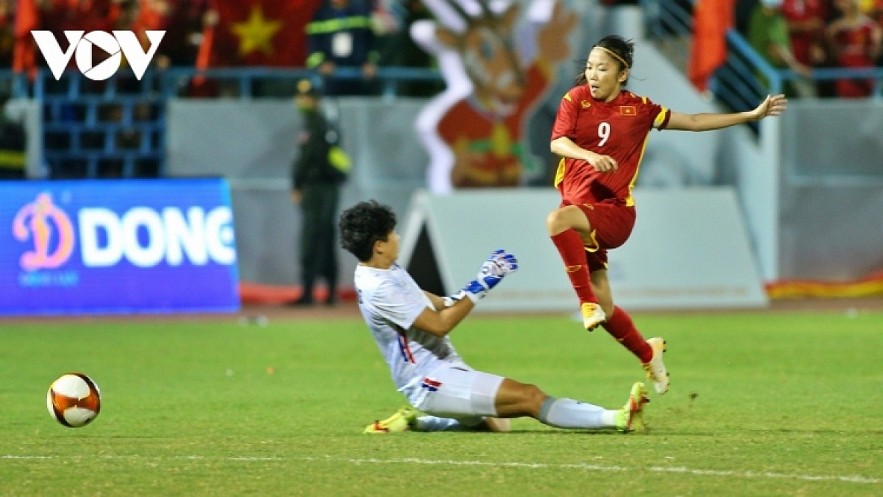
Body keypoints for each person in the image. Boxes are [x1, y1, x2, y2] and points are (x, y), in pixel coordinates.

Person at [546, 35, 789, 396]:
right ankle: (649, 354)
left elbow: (692, 120)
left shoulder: (640, 110)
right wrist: (587, 156)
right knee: (608, 308)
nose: (593, 74)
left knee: (557, 221)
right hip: (584, 213)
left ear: (622, 73)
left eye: (602, 68)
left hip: (613, 214)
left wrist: (750, 115)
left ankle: (584, 304)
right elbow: (557, 142)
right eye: (589, 66)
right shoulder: (575, 99)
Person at [338, 199, 650, 434]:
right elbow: (439, 324)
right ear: (379, 246)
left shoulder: (384, 269)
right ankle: (617, 418)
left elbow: (442, 304)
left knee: (498, 425)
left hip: (444, 368)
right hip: (429, 381)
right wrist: (484, 284)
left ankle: (417, 422)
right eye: (392, 234)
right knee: (530, 397)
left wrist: (478, 281)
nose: (398, 237)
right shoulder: (379, 286)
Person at [288, 79, 349, 307]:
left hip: (317, 188)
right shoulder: (325, 123)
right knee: (325, 238)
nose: (300, 101)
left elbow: (307, 158)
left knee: (312, 239)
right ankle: (330, 291)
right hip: (328, 188)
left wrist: (297, 183)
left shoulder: (314, 124)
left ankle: (309, 292)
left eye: (305, 97)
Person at [306, 0, 380, 96]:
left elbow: (371, 43)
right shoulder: (320, 16)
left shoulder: (361, 13)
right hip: (330, 77)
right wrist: (321, 63)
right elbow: (313, 45)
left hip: (358, 75)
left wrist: (370, 62)